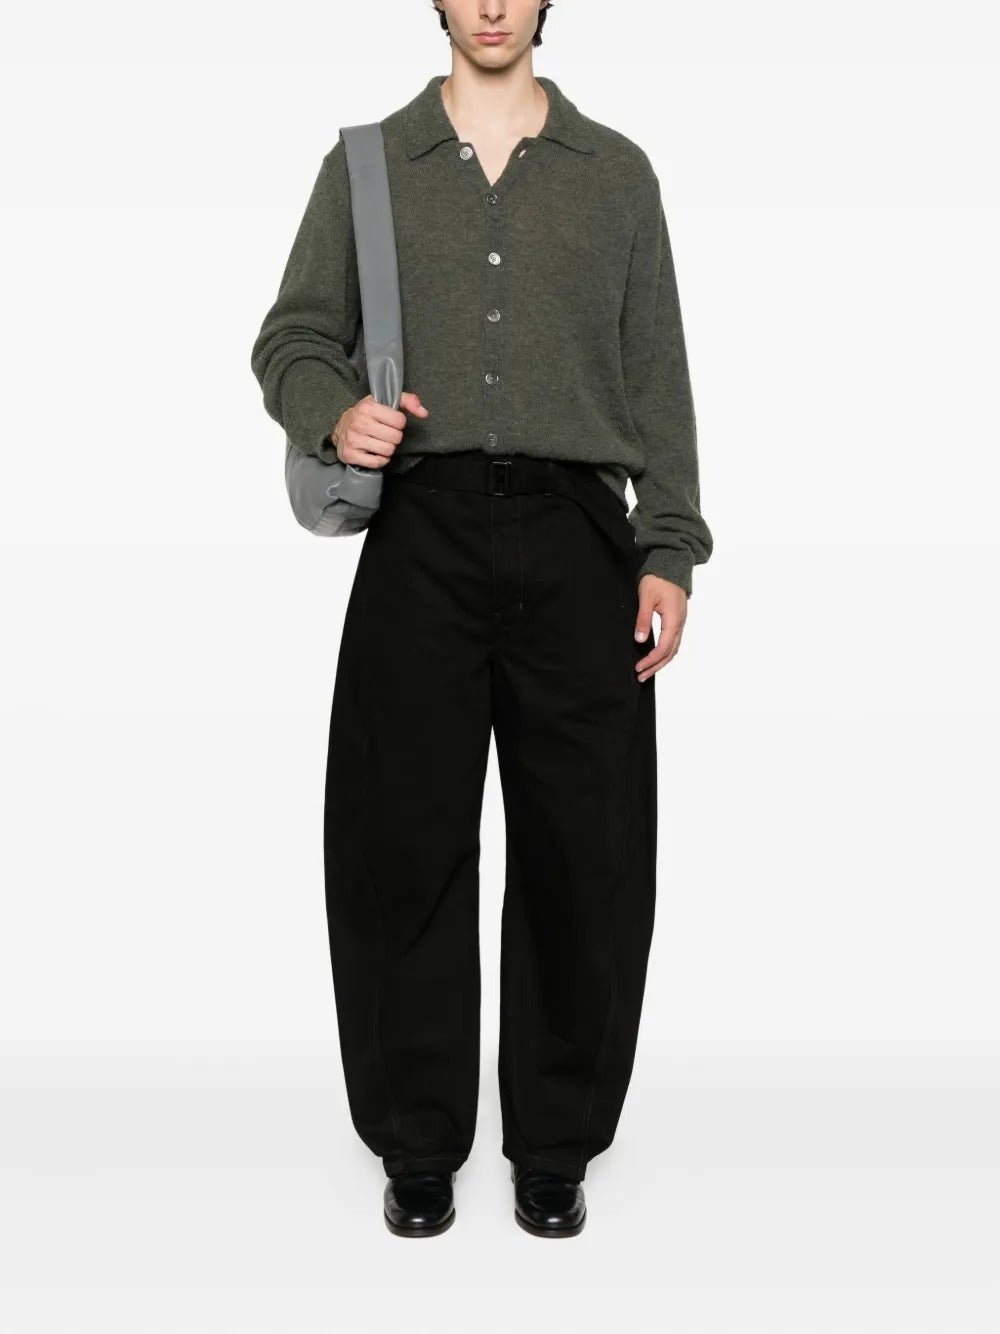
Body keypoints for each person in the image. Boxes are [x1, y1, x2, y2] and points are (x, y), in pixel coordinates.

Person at [250, 0, 713, 1239]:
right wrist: (334, 411)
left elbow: (657, 375)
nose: (493, 4)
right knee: (397, 843)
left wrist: (668, 547)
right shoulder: (370, 165)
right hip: (422, 534)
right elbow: (291, 337)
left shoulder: (615, 174)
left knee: (584, 850)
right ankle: (416, 1138)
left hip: (580, 544)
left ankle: (554, 1140)